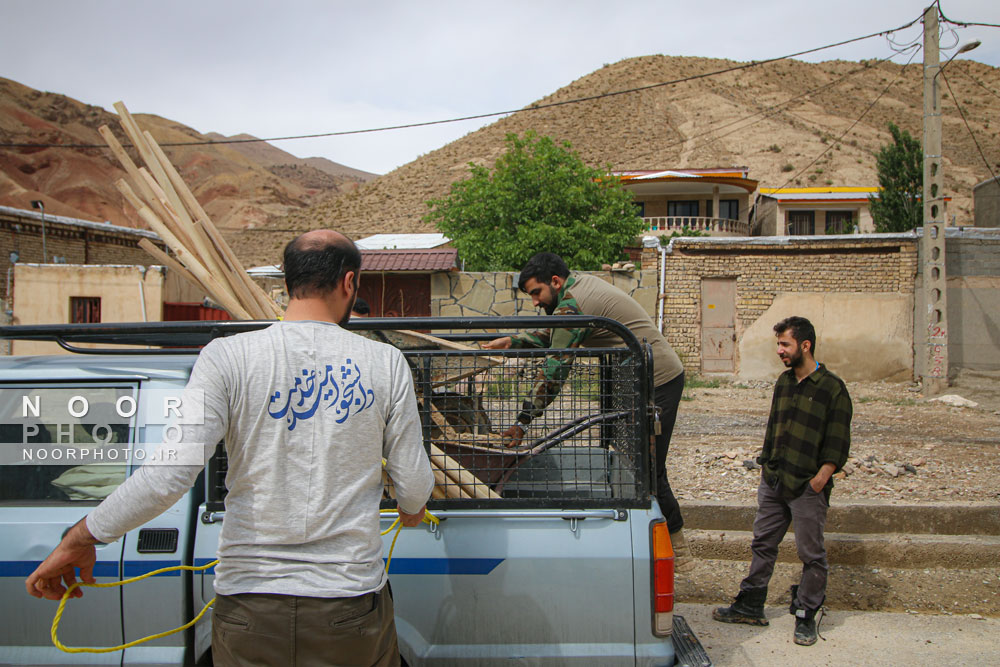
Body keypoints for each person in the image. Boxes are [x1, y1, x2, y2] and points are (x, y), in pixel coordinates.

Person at [25, 230, 435, 667]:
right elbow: (412, 481)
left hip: (249, 609)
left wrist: (82, 537)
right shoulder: (385, 363)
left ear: (286, 282)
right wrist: (412, 507)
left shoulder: (225, 357)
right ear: (349, 283)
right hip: (348, 607)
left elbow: (169, 475)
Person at [482, 252, 693, 570]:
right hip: (639, 378)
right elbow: (557, 334)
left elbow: (555, 369)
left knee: (649, 468)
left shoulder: (573, 303)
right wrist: (514, 342)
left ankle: (675, 548)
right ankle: (648, 544)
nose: (536, 303)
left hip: (657, 379)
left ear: (554, 281)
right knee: (635, 464)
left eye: (536, 293)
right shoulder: (575, 289)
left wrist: (522, 422)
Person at [713, 316, 852, 647]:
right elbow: (773, 429)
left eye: (785, 344)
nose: (779, 351)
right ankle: (750, 605)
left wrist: (819, 481)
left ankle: (806, 614)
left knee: (811, 553)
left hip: (807, 486)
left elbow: (837, 443)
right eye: (778, 344)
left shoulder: (833, 389)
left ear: (805, 345)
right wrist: (766, 468)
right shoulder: (784, 382)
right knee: (763, 543)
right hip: (775, 480)